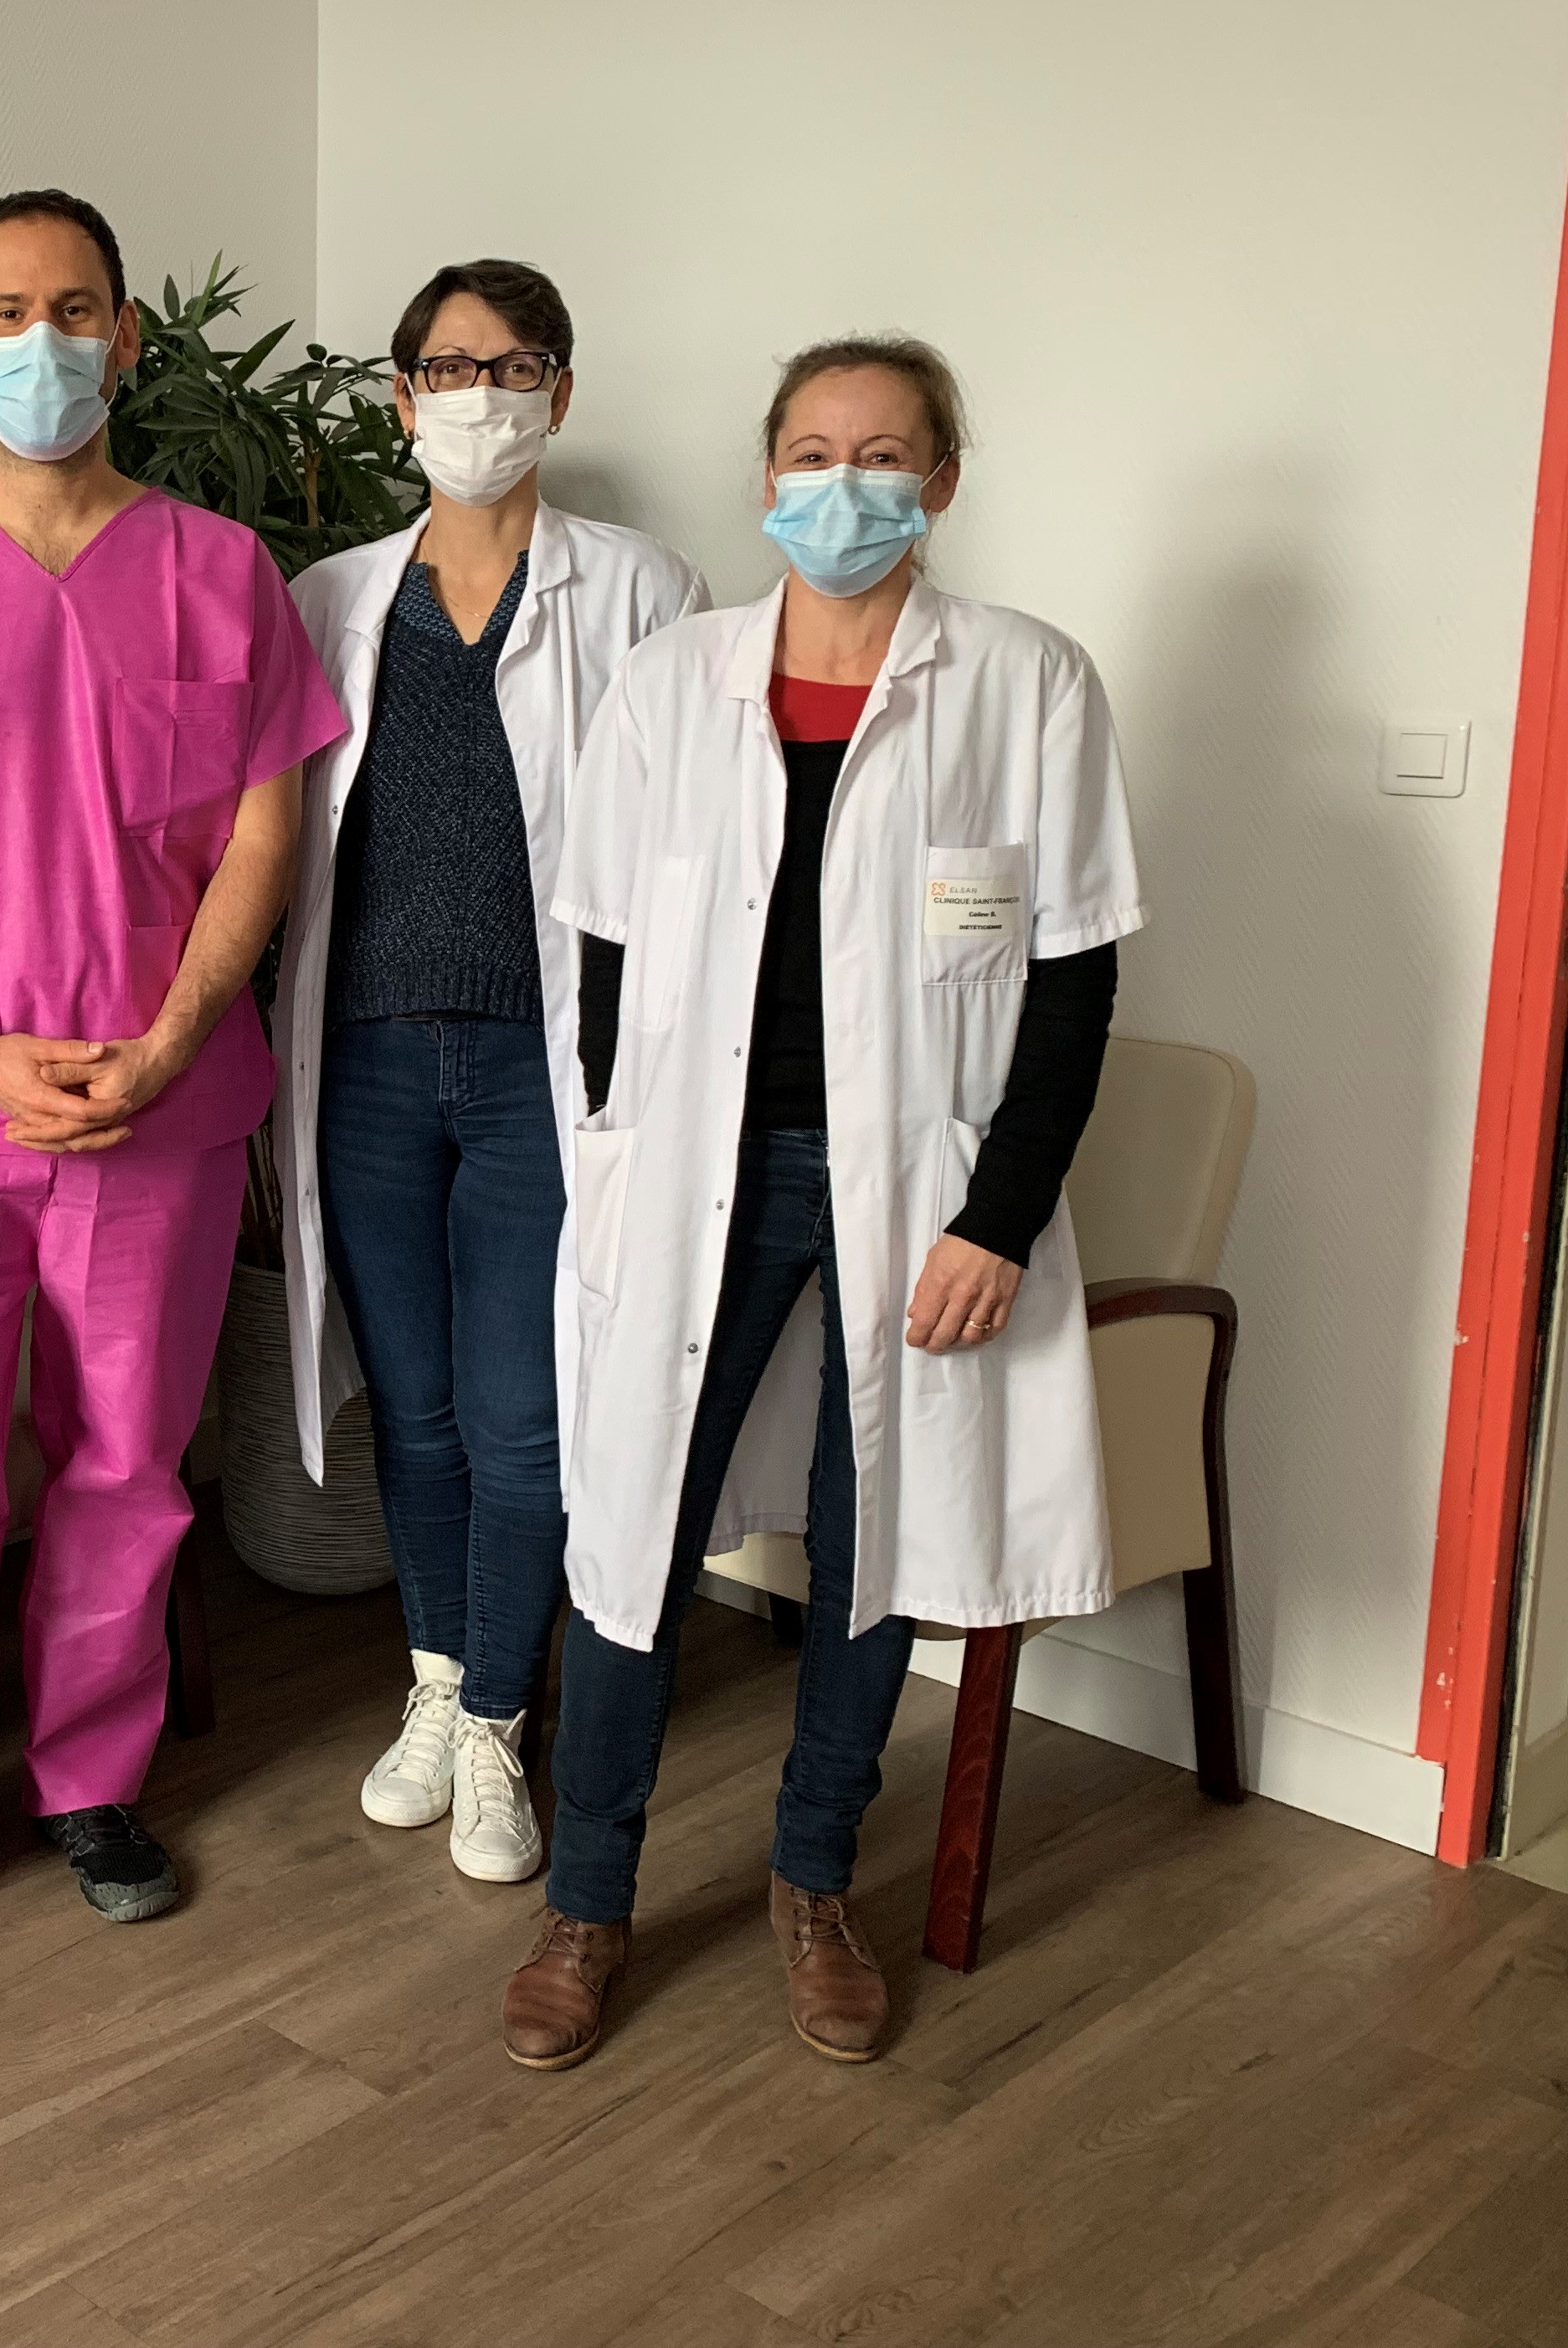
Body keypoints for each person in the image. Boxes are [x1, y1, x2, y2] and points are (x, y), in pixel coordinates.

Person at [501, 336, 1140, 2072]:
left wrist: (999, 1218)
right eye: (810, 452)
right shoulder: (672, 683)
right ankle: (589, 1900)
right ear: (766, 475)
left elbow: (1073, 979)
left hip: (915, 1196)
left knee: (878, 1549)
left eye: (882, 454)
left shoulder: (1025, 683)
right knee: (632, 1530)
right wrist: (619, 1155)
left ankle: (814, 1883)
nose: (841, 486)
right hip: (691, 1183)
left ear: (943, 480)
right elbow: (603, 953)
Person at [0, 188, 347, 1970]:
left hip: (155, 1109)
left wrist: (163, 1045)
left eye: (80, 308)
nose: (49, 342)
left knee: (126, 1464)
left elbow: (265, 839)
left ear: (127, 335)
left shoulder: (220, 574)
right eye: (12, 312)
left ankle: (92, 1780)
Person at [271, 261, 704, 1883]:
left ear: (561, 393)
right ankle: (440, 1687)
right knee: (420, 1411)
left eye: (515, 367)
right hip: (368, 1060)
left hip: (547, 1068)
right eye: (450, 368)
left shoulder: (646, 591)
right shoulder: (329, 599)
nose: (481, 397)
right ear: (402, 399)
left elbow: (685, 846)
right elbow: (272, 848)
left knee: (527, 1419)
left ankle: (502, 1724)